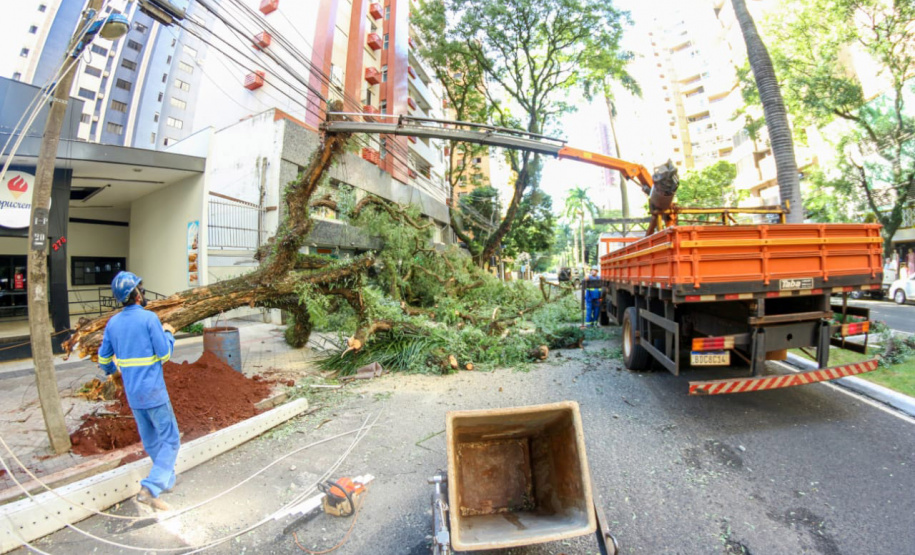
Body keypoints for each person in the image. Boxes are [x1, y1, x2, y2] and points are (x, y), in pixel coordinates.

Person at [98, 271, 178, 511]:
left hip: (133, 395)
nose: (143, 293)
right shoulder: (149, 319)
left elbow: (103, 360)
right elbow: (164, 354)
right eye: (140, 289)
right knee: (171, 440)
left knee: (151, 440)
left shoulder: (113, 323)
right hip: (154, 392)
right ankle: (151, 487)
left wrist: (115, 372)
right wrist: (168, 333)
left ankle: (167, 480)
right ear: (135, 294)